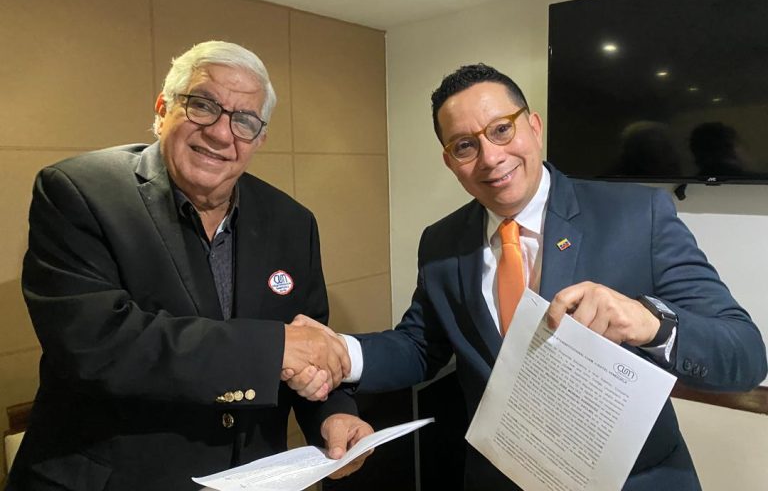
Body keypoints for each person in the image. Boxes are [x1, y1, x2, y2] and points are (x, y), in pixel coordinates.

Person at [286, 64, 767, 490]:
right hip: (500, 477)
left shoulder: (637, 215)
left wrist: (651, 323)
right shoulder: (442, 242)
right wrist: (338, 351)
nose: (490, 157)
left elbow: (745, 355)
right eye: (465, 145)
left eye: (501, 130)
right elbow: (418, 346)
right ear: (450, 161)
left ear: (534, 127)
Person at [8, 41, 372, 491]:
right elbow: (96, 345)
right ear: (163, 109)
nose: (221, 133)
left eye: (244, 120)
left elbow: (308, 344)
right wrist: (274, 348)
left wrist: (333, 414)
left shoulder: (292, 222)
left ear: (260, 139)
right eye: (202, 105)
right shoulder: (78, 192)